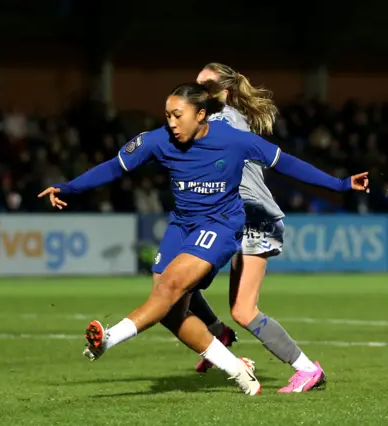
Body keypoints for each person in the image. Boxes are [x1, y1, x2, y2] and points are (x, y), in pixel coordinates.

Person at [38, 81, 368, 395]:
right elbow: (114, 167)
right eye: (167, 115)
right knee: (168, 311)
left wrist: (339, 184)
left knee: (168, 288)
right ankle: (238, 370)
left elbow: (286, 163)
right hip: (181, 225)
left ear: (201, 115)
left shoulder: (234, 140)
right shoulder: (157, 140)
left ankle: (107, 340)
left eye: (177, 115)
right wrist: (68, 187)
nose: (171, 123)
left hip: (222, 224)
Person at [185, 63, 327, 392]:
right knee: (178, 283)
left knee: (244, 309)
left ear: (224, 91)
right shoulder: (215, 119)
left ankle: (308, 369)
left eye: (204, 85)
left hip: (254, 217)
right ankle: (216, 331)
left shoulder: (224, 120)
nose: (196, 89)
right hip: (232, 218)